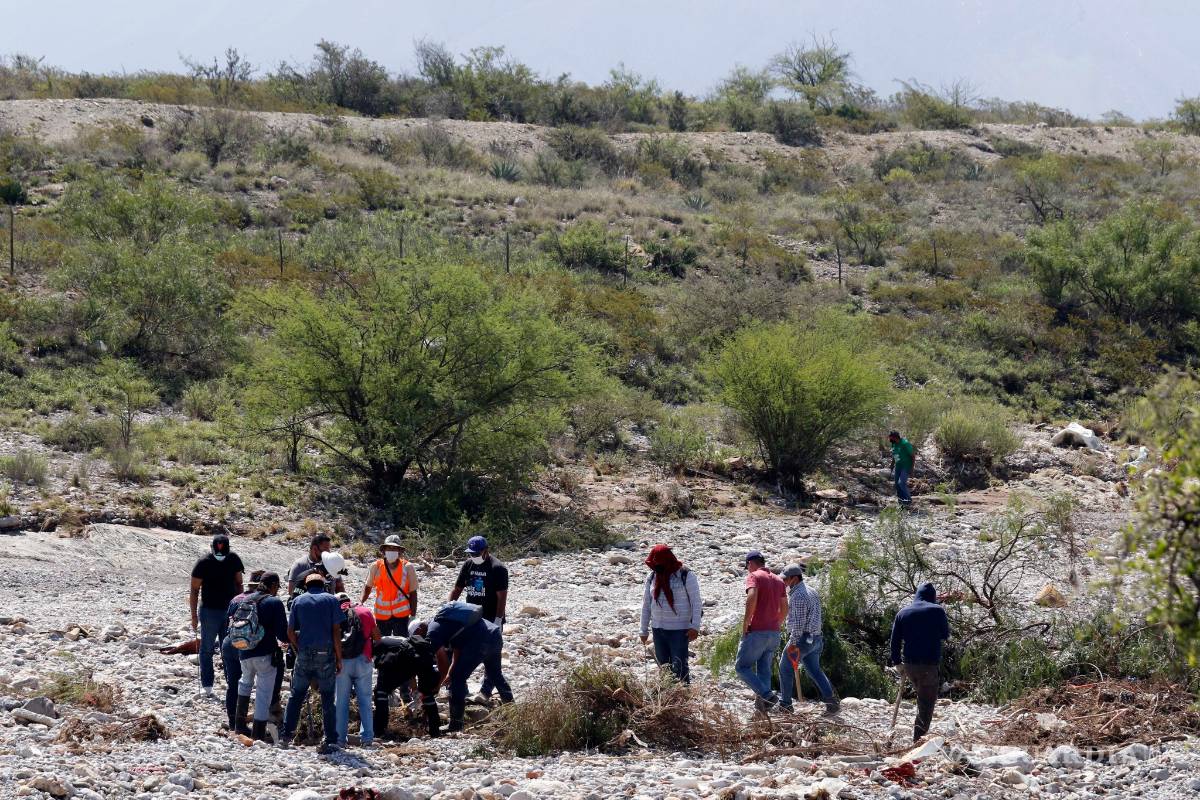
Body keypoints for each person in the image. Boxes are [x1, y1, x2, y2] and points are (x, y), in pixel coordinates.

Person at [425, 601, 513, 733]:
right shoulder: (448, 624)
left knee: (457, 679)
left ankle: (456, 724)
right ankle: (513, 712)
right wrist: (450, 672)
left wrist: (437, 686)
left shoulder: (432, 633)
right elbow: (457, 649)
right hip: (494, 634)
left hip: (480, 640)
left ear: (420, 629)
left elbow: (442, 661)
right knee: (495, 674)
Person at [280, 571, 343, 752]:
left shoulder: (299, 601)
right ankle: (330, 739)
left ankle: (286, 736)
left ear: (307, 586)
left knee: (296, 695)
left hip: (305, 653)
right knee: (327, 697)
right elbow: (336, 631)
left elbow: (290, 632)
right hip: (326, 654)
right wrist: (339, 658)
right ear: (323, 585)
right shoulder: (331, 600)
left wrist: (300, 648)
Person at [447, 536, 508, 703]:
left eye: (476, 553)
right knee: (461, 651)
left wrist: (498, 619)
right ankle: (458, 687)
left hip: (491, 618)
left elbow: (502, 596)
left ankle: (486, 691)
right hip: (471, 617)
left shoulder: (498, 568)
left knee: (491, 657)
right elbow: (457, 589)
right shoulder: (468, 565)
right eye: (471, 553)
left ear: (485, 551)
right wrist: (448, 608)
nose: (473, 556)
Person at [229, 572, 289, 742]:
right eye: (277, 586)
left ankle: (239, 726)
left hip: (244, 651)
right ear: (273, 585)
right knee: (263, 693)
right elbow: (283, 635)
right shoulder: (274, 602)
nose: (277, 590)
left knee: (245, 684)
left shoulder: (243, 600)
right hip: (265, 654)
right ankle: (258, 733)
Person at [889, 582, 951, 742]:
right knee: (926, 704)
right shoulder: (937, 611)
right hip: (928, 665)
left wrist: (897, 662)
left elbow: (894, 641)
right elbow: (945, 634)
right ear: (933, 597)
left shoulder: (903, 612)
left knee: (921, 696)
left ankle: (917, 736)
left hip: (909, 665)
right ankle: (918, 741)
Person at [778, 564, 839, 715]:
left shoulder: (798, 596)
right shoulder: (812, 591)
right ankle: (832, 703)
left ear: (794, 578)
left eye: (786, 579)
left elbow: (798, 624)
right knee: (815, 671)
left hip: (802, 639)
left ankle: (785, 705)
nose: (784, 582)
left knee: (785, 668)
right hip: (816, 639)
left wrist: (792, 643)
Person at [189, 534, 244, 698]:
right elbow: (194, 590)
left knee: (229, 648)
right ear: (212, 548)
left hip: (230, 611)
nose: (220, 555)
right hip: (209, 612)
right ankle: (207, 685)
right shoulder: (203, 563)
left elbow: (239, 584)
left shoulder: (234, 560)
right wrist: (194, 616)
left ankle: (232, 683)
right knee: (206, 648)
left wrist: (240, 608)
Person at [638, 545, 701, 684]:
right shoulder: (652, 577)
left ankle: (683, 696)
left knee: (680, 666)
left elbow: (696, 603)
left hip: (679, 630)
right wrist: (643, 629)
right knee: (664, 667)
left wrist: (695, 626)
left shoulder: (686, 575)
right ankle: (669, 697)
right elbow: (646, 604)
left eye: (660, 564)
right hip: (658, 629)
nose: (657, 567)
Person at [734, 550, 788, 712]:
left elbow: (751, 597)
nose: (747, 569)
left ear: (751, 563)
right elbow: (785, 607)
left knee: (741, 667)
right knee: (764, 668)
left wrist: (746, 623)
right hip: (774, 633)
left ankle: (767, 695)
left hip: (757, 631)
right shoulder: (779, 580)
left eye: (747, 565)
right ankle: (763, 708)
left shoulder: (754, 576)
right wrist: (777, 623)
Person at [373, 629, 443, 739]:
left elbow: (384, 666)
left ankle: (380, 730)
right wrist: (415, 689)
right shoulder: (400, 640)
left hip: (404, 660)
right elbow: (412, 666)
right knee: (427, 693)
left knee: (381, 692)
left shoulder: (377, 644)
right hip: (422, 658)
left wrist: (387, 686)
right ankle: (435, 730)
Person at [334, 592, 381, 748]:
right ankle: (367, 739)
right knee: (365, 701)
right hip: (363, 660)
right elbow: (377, 637)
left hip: (342, 663)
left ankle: (340, 740)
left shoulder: (334, 613)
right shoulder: (365, 611)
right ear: (349, 601)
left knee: (341, 702)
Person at [221, 569, 264, 731]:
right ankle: (248, 723)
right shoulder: (261, 601)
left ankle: (233, 722)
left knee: (233, 684)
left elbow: (228, 624)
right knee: (249, 684)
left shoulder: (235, 599)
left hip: (229, 643)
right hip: (248, 647)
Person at [361, 535, 419, 637]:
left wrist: (413, 616)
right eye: (389, 548)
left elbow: (413, 593)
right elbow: (368, 587)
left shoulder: (408, 567)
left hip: (402, 615)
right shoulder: (376, 566)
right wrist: (360, 602)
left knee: (402, 645)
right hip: (381, 615)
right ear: (383, 551)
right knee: (382, 644)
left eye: (395, 548)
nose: (391, 551)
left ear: (400, 551)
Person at [287, 533, 345, 598]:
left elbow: (339, 587)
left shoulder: (331, 564)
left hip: (328, 605)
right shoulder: (299, 565)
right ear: (315, 549)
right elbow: (291, 591)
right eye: (325, 549)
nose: (328, 552)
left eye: (329, 549)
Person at [889, 430, 916, 509]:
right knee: (897, 485)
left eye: (890, 438)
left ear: (895, 437)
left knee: (901, 483)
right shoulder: (893, 444)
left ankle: (908, 500)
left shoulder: (905, 444)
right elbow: (895, 454)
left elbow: (913, 456)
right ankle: (901, 502)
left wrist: (912, 469)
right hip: (898, 466)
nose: (889, 440)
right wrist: (892, 464)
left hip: (906, 466)